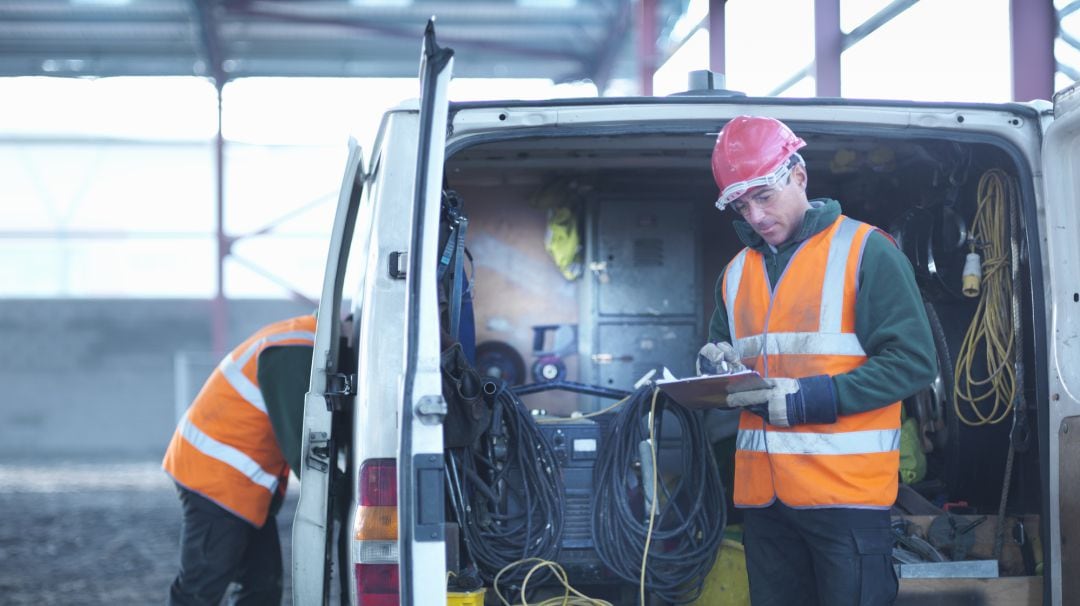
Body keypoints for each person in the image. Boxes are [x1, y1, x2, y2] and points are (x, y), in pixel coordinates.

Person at [698, 115, 937, 606]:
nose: (756, 216)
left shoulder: (865, 250)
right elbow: (728, 360)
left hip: (843, 499)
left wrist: (811, 399)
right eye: (742, 205)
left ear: (799, 176)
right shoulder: (736, 272)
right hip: (765, 502)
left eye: (764, 196)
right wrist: (712, 371)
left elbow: (913, 362)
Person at [162, 314, 316, 605]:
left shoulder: (298, 338)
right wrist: (339, 493)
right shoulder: (299, 346)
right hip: (215, 480)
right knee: (201, 587)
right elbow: (301, 441)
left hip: (238, 485)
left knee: (261, 585)